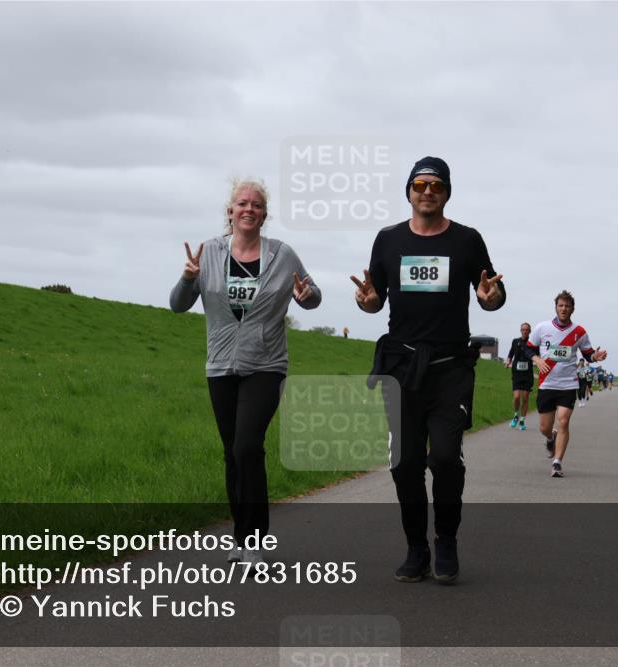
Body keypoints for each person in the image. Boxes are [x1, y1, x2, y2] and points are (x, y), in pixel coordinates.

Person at [351, 156, 505, 584]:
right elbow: (375, 297)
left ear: (447, 192)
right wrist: (366, 302)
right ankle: (416, 547)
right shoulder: (388, 240)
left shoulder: (468, 240)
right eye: (419, 184)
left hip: (449, 367)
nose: (427, 191)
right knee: (404, 464)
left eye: (436, 185)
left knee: (444, 458)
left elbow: (492, 294)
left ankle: (447, 539)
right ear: (408, 190)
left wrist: (491, 298)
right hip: (401, 368)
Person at [170, 179, 321, 564]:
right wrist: (188, 277)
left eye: (256, 204)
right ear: (230, 211)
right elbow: (178, 305)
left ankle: (254, 540)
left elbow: (312, 293)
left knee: (247, 446)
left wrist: (307, 295)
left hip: (266, 365)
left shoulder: (282, 255)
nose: (249, 209)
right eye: (242, 203)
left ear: (264, 215)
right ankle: (240, 536)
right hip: (221, 365)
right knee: (232, 453)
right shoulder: (208, 254)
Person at [527, 290, 607, 478]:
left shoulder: (579, 331)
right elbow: (527, 348)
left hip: (568, 384)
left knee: (563, 422)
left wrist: (595, 356)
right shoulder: (542, 327)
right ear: (555, 307)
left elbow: (588, 353)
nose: (563, 309)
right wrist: (537, 359)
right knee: (545, 427)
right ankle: (550, 438)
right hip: (547, 383)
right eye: (560, 306)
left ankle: (557, 462)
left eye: (567, 306)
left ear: (572, 309)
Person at [504, 323, 533, 430]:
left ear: (530, 331)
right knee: (516, 397)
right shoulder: (515, 341)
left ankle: (522, 421)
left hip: (527, 374)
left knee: (525, 398)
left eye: (526, 330)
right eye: (523, 329)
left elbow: (538, 355)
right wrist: (508, 362)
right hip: (517, 373)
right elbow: (511, 353)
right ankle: (516, 415)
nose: (524, 331)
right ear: (520, 330)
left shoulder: (532, 343)